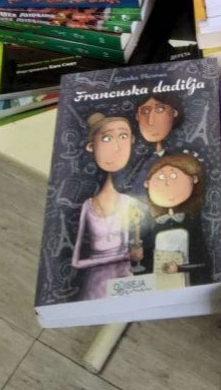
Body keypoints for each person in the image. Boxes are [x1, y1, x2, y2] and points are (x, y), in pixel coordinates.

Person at [71, 112, 142, 300]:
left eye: (123, 136)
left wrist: (133, 254)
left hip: (125, 281)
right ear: (91, 147)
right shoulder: (87, 206)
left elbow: (137, 249)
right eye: (107, 138)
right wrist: (124, 256)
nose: (117, 147)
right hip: (95, 286)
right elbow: (76, 262)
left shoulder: (131, 202)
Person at [142, 153, 207, 286]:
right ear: (147, 184)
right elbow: (146, 260)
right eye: (161, 177)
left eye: (173, 176)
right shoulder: (153, 226)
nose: (167, 183)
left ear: (193, 179)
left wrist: (180, 268)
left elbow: (202, 261)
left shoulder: (193, 223)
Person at [124, 94, 182, 194]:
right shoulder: (131, 160)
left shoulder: (180, 156)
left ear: (174, 112)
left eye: (159, 110)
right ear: (137, 116)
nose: (150, 121)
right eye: (145, 112)